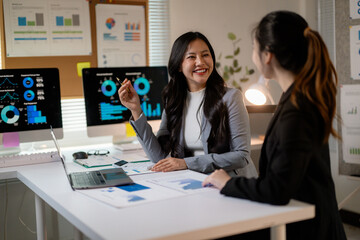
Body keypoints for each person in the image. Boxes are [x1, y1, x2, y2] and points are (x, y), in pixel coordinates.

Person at [202, 11, 346, 240]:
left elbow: (277, 189)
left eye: (253, 48)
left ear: (267, 55)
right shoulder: (298, 99)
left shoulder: (298, 111)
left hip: (310, 229)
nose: (253, 56)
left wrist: (228, 183)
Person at [118, 31, 257, 177]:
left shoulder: (230, 97)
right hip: (195, 180)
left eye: (205, 55)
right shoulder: (173, 100)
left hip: (231, 182)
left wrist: (186, 163)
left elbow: (241, 156)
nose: (201, 62)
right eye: (191, 57)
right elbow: (158, 157)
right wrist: (136, 110)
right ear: (178, 65)